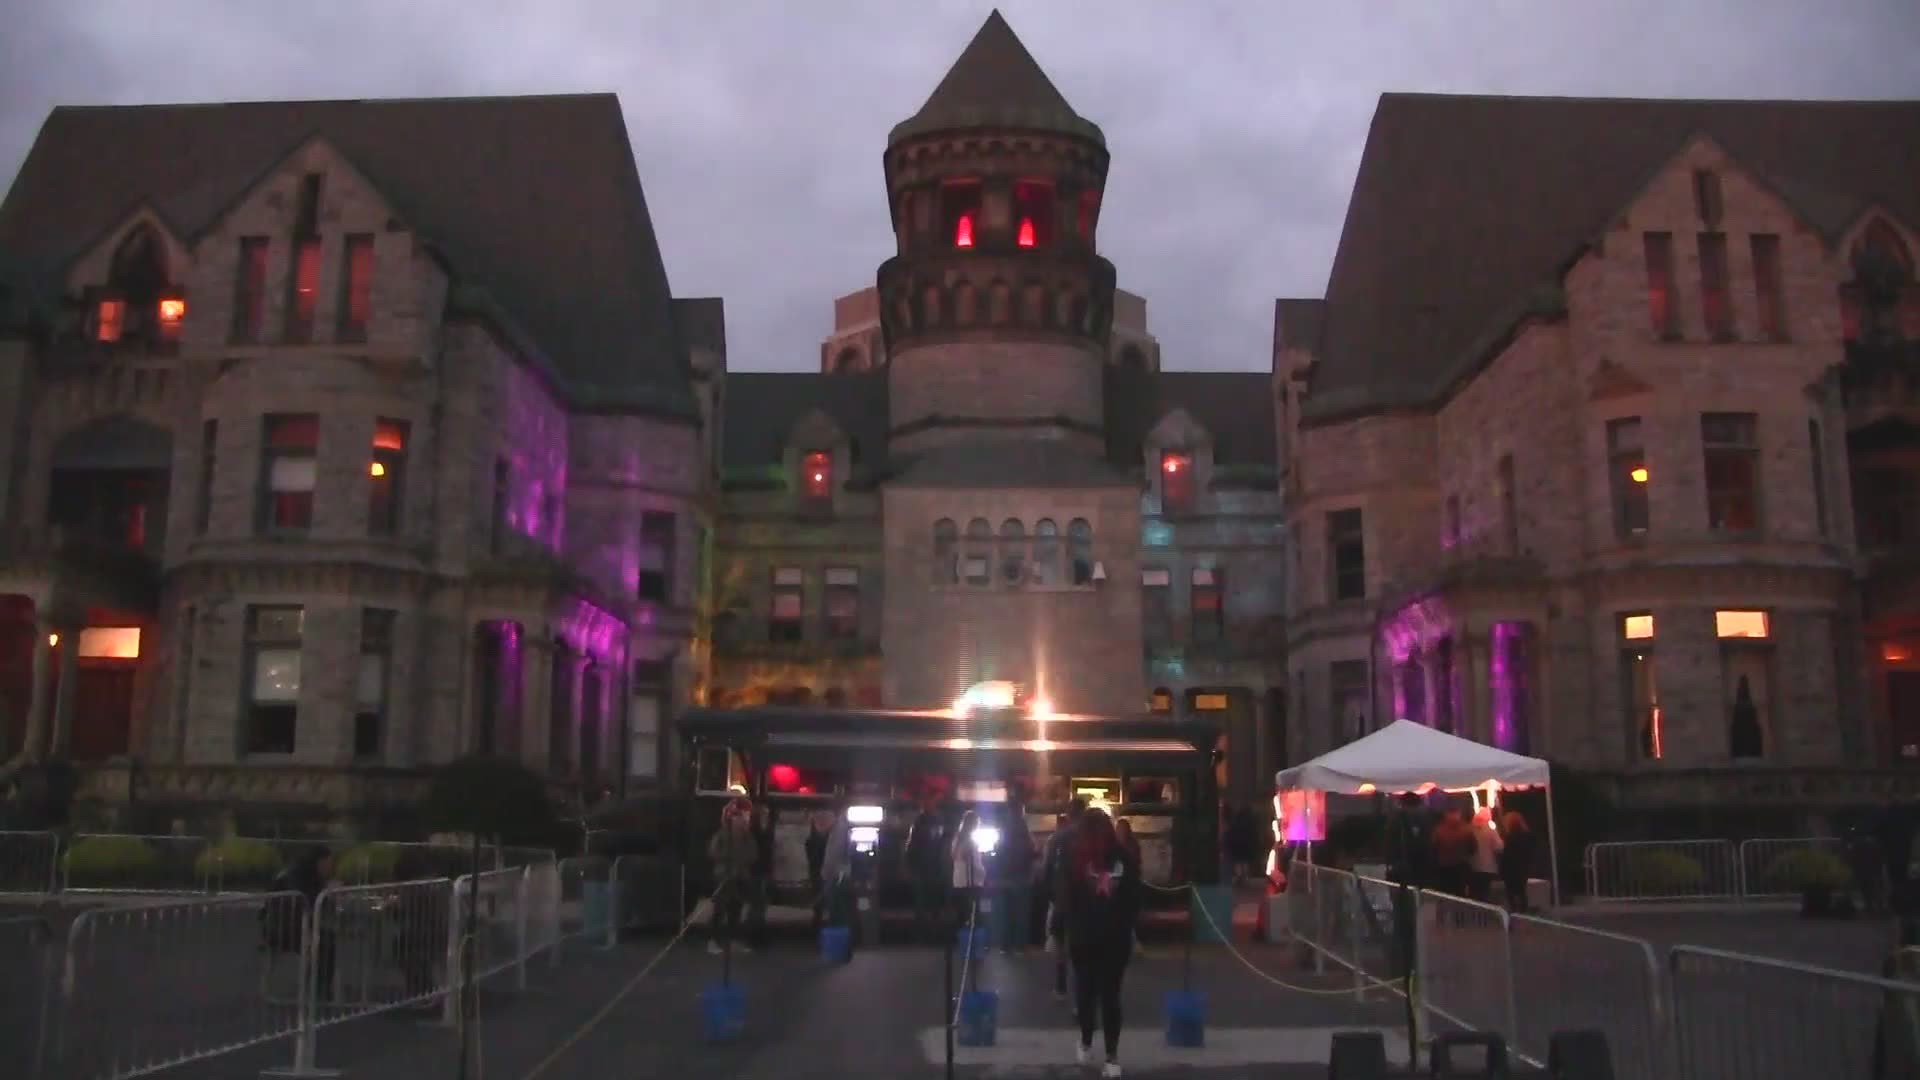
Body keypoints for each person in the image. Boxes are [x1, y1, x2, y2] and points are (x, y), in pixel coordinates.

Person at [1064, 809, 1141, 1078]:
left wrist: (1061, 931)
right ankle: (1111, 1057)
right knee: (1111, 997)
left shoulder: (1077, 858)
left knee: (1086, 995)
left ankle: (1086, 1043)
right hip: (1115, 939)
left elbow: (1068, 900)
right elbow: (1134, 899)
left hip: (1085, 938)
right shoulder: (1125, 859)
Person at [273, 846, 338, 1002]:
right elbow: (301, 904)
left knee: (327, 940)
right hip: (283, 927)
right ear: (319, 862)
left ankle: (320, 986)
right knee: (324, 943)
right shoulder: (296, 877)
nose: (330, 868)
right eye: (328, 864)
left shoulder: (311, 877)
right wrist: (326, 891)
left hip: (301, 926)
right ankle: (319, 988)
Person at [1045, 798, 1089, 1000]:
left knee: (1061, 943)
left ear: (1069, 814)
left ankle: (1061, 987)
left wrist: (1050, 892)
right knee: (1084, 947)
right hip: (1088, 899)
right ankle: (1084, 991)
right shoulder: (1094, 836)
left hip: (1063, 898)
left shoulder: (1058, 837)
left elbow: (1047, 868)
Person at [707, 799, 756, 955]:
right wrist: (728, 859)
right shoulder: (722, 834)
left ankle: (733, 941)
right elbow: (713, 852)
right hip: (724, 877)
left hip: (740, 877)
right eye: (737, 817)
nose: (741, 820)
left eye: (742, 817)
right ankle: (712, 941)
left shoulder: (747, 836)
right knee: (719, 910)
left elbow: (753, 854)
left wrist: (743, 861)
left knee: (736, 910)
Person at [994, 803, 1036, 954]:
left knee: (1006, 913)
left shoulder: (1004, 830)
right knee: (1021, 913)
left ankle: (1005, 946)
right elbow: (1032, 852)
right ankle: (1020, 946)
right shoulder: (1024, 831)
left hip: (1005, 878)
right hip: (1022, 877)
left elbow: (997, 853)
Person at [906, 798, 949, 943]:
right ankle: (929, 933)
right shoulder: (934, 822)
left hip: (928, 868)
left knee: (926, 903)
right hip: (928, 868)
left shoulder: (922, 822)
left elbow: (911, 847)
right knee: (927, 902)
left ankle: (925, 934)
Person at [952, 809, 989, 931]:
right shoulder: (969, 841)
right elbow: (973, 864)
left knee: (961, 915)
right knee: (971, 914)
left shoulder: (957, 840)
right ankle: (968, 942)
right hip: (970, 883)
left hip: (959, 881)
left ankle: (956, 942)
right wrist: (983, 873)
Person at [1498, 811, 1538, 914]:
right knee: (1521, 891)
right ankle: (1523, 912)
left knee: (1511, 892)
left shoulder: (1510, 837)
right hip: (1523, 867)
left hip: (1511, 868)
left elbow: (1506, 854)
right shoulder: (1527, 836)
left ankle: (1514, 912)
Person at [747, 803, 775, 948]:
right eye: (763, 814)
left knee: (760, 905)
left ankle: (758, 935)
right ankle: (754, 937)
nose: (766, 817)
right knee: (756, 905)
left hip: (763, 870)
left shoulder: (766, 830)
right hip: (756, 870)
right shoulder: (754, 831)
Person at [1466, 806, 1503, 904]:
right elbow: (1499, 847)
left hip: (1471, 866)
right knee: (1484, 894)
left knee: (1473, 893)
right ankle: (1483, 915)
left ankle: (1473, 914)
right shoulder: (1490, 831)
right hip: (1487, 867)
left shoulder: (1468, 830)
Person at [805, 809, 831, 930]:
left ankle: (818, 920)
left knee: (819, 895)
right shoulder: (825, 839)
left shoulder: (814, 839)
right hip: (819, 870)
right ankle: (819, 920)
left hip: (818, 869)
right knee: (820, 895)